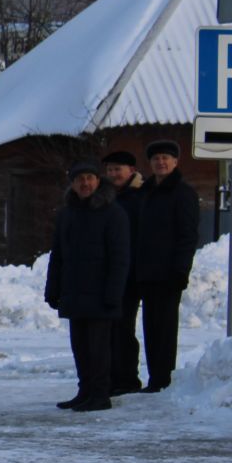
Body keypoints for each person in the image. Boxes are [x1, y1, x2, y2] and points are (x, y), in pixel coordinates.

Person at [45, 159, 131, 412]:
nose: (85, 183)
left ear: (97, 181)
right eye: (79, 179)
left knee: (99, 349)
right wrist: (53, 289)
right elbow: (57, 255)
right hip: (74, 292)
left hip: (101, 293)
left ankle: (101, 394)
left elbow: (120, 258)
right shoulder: (67, 214)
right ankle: (85, 391)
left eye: (89, 178)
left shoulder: (113, 213)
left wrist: (114, 293)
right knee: (80, 346)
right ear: (72, 184)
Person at [129, 139, 198, 392]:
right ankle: (155, 377)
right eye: (156, 158)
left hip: (169, 273)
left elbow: (188, 236)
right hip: (146, 272)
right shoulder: (146, 191)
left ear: (175, 162)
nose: (161, 162)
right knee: (150, 327)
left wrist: (181, 270)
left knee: (165, 329)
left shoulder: (183, 193)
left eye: (166, 158)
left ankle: (163, 379)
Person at [99, 150, 146, 393]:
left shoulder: (140, 196)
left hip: (131, 273)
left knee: (124, 328)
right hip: (105, 274)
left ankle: (127, 379)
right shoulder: (104, 196)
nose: (114, 174)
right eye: (110, 170)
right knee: (106, 330)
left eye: (118, 169)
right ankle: (108, 378)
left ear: (130, 171)